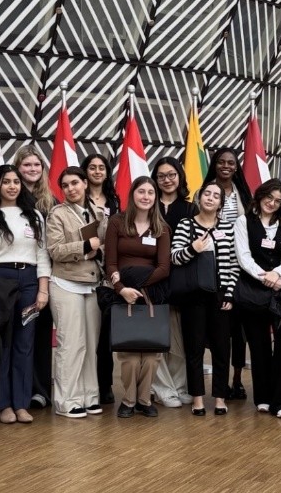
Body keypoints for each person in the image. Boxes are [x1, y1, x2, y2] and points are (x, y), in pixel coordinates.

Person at [0, 165, 51, 424]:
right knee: (1, 343)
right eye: (7, 182)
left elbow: (42, 255)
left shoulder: (35, 216)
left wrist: (43, 289)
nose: (13, 186)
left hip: (29, 282)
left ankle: (21, 403)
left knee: (24, 344)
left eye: (16, 181)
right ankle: (2, 404)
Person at [233, 179, 281, 418]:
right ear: (260, 195)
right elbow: (243, 256)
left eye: (278, 201)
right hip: (253, 292)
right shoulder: (244, 221)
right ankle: (262, 397)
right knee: (258, 344)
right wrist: (264, 276)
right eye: (269, 197)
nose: (272, 203)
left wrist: (277, 274)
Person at [104, 177, 171, 418]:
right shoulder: (117, 222)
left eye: (150, 193)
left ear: (155, 197)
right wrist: (121, 288)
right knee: (130, 356)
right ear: (132, 194)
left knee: (152, 356)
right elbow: (109, 263)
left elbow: (164, 267)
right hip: (123, 294)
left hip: (151, 294)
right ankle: (129, 400)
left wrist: (140, 286)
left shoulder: (162, 227)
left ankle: (144, 399)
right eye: (141, 191)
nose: (145, 196)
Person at [170, 182, 237, 416]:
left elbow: (232, 264)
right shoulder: (185, 224)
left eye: (215, 195)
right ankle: (197, 398)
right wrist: (194, 248)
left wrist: (229, 293)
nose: (210, 198)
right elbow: (175, 258)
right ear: (199, 198)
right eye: (206, 194)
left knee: (221, 348)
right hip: (193, 296)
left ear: (221, 203)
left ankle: (220, 397)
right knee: (194, 348)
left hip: (219, 295)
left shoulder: (228, 228)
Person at [45, 167, 105, 419]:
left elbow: (104, 246)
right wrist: (84, 246)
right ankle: (66, 400)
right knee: (71, 345)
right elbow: (54, 249)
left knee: (91, 345)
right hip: (65, 283)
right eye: (66, 185)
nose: (71, 189)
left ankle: (89, 396)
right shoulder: (56, 214)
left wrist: (97, 251)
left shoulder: (98, 213)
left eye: (75, 183)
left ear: (84, 183)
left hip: (92, 284)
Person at [202, 147, 252, 397]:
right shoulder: (206, 191)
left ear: (236, 166)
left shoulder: (242, 192)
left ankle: (237, 379)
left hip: (241, 265)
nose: (226, 166)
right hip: (214, 266)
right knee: (219, 326)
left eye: (231, 163)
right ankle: (218, 381)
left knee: (239, 330)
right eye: (221, 162)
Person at [12, 145, 56, 410]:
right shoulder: (9, 198)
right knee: (16, 336)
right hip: (14, 275)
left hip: (44, 276)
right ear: (17, 168)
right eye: (26, 165)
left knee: (40, 334)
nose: (32, 169)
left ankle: (39, 390)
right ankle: (17, 390)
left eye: (36, 165)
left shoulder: (51, 201)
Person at [152, 156, 192, 407]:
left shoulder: (190, 208)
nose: (167, 180)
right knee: (155, 335)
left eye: (171, 175)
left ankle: (179, 386)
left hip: (181, 280)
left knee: (179, 337)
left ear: (179, 177)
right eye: (161, 176)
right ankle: (162, 389)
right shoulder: (147, 204)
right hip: (153, 279)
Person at [83, 153, 119, 404]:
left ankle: (105, 384)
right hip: (84, 267)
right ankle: (86, 383)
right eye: (92, 167)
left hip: (108, 274)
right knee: (86, 334)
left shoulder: (115, 200)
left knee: (105, 334)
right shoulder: (79, 198)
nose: (96, 171)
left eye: (101, 168)